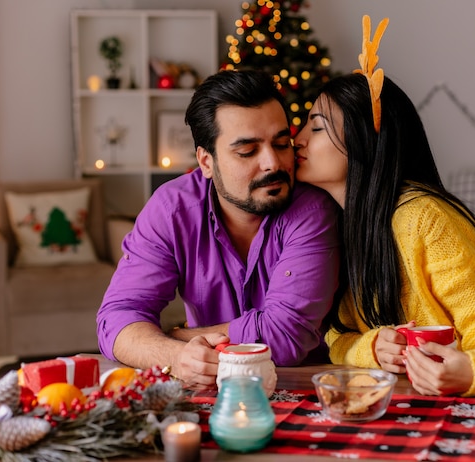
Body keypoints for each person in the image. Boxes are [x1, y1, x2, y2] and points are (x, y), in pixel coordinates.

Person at [293, 16, 475, 397]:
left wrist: (473, 370)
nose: (297, 139)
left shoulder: (423, 218)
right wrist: (371, 347)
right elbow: (336, 334)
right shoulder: (336, 222)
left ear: (364, 142)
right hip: (418, 402)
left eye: (315, 127)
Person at [97, 70, 341, 390]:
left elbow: (285, 335)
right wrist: (177, 354)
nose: (273, 163)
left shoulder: (312, 209)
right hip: (210, 389)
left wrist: (183, 334)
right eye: (247, 151)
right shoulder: (171, 210)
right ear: (206, 162)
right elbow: (117, 320)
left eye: (282, 144)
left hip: (305, 386)